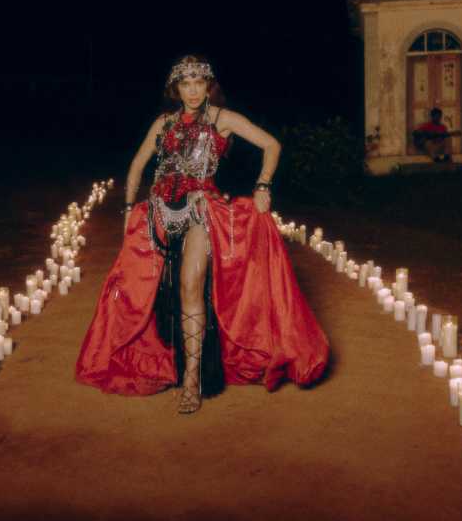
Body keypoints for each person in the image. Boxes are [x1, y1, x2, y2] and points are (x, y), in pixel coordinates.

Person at [76, 54, 329, 414]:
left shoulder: (222, 119)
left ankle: (191, 381)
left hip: (200, 209)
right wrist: (128, 208)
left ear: (209, 86)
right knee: (137, 287)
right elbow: (137, 166)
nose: (193, 91)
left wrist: (263, 185)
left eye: (199, 83)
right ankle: (161, 360)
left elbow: (272, 145)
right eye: (186, 84)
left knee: (189, 283)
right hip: (158, 210)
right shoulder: (164, 122)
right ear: (175, 88)